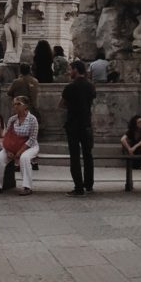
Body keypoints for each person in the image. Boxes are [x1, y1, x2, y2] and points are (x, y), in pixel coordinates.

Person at [0, 96, 39, 196]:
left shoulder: (32, 119)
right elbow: (7, 136)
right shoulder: (12, 119)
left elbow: (32, 138)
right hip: (12, 146)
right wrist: (8, 150)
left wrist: (20, 152)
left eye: (18, 104)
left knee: (24, 158)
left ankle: (27, 186)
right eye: (14, 104)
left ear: (25, 106)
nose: (15, 107)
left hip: (29, 146)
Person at [60, 60, 96, 196]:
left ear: (76, 70)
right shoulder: (90, 86)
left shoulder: (70, 87)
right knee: (88, 155)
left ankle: (78, 187)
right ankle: (89, 184)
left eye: (70, 69)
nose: (69, 72)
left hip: (73, 125)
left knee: (75, 157)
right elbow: (91, 101)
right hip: (86, 124)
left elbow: (62, 104)